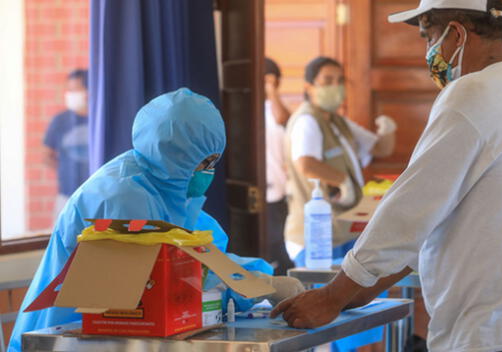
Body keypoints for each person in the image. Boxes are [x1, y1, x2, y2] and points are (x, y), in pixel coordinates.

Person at [272, 1, 502, 351]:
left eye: (428, 36)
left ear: (456, 33)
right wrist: (360, 289)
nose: (428, 51)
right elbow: (434, 216)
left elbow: (407, 212)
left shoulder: (471, 93)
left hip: (500, 334)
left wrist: (333, 296)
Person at [9, 88, 286, 352]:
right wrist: (258, 285)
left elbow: (203, 257)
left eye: (213, 162)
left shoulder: (167, 192)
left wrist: (256, 278)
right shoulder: (122, 196)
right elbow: (162, 279)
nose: (208, 172)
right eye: (203, 162)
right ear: (175, 154)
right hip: (71, 337)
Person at [284, 56, 397, 261]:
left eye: (340, 81)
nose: (335, 87)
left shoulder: (338, 122)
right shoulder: (307, 121)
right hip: (315, 238)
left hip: (342, 231)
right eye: (327, 81)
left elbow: (381, 148)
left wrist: (388, 130)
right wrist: (342, 181)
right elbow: (306, 164)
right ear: (309, 87)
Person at [44, 69, 90, 220]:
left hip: (96, 196)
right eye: (69, 90)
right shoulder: (60, 121)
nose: (70, 94)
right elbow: (47, 156)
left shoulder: (102, 119)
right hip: (66, 196)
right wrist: (66, 169)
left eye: (75, 90)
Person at [264, 57, 295, 275]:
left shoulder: (273, 108)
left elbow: (283, 118)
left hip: (278, 191)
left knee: (279, 247)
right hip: (261, 193)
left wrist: (271, 90)